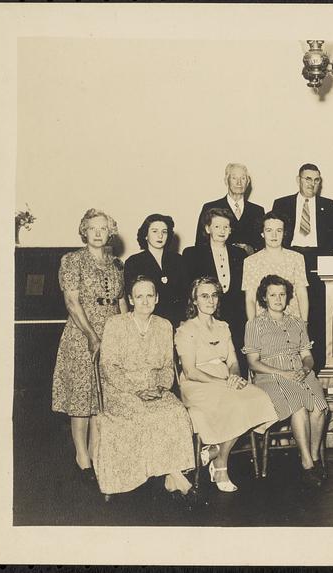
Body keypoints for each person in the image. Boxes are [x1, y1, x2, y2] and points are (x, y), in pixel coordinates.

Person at [95, 276, 195, 498]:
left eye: (150, 295)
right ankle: (172, 474)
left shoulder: (164, 325)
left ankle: (171, 474)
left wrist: (160, 388)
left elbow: (169, 367)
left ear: (157, 298)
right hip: (121, 389)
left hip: (154, 388)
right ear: (130, 299)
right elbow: (108, 366)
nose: (145, 301)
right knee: (143, 415)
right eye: (139, 296)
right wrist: (135, 390)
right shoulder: (115, 324)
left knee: (176, 412)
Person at [175, 277, 277, 493]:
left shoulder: (223, 327)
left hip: (223, 378)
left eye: (214, 295)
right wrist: (223, 382)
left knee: (258, 398)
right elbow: (190, 371)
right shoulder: (186, 330)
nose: (210, 300)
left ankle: (214, 452)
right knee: (236, 405)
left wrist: (234, 376)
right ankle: (221, 465)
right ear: (194, 300)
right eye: (204, 296)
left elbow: (232, 361)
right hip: (198, 384)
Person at [52, 209, 127, 482]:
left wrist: (124, 332)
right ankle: (81, 454)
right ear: (84, 231)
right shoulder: (72, 261)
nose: (98, 233)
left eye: (103, 228)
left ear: (110, 232)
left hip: (111, 330)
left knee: (102, 396)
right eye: (92, 228)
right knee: (82, 395)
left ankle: (96, 451)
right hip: (81, 333)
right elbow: (72, 303)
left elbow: (121, 302)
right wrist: (92, 335)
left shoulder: (116, 264)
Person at [244, 275, 329, 487]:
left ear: (288, 297)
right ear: (264, 297)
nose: (278, 299)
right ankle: (307, 464)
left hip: (300, 371)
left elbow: (307, 354)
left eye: (282, 294)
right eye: (272, 294)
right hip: (270, 376)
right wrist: (282, 373)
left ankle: (315, 456)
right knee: (299, 408)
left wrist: (306, 367)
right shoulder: (254, 324)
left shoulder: (297, 322)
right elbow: (253, 363)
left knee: (320, 408)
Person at [272, 163, 333, 371]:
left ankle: (316, 366)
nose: (312, 183)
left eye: (316, 180)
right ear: (298, 180)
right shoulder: (282, 203)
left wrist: (315, 258)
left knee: (316, 314)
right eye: (307, 179)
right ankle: (285, 363)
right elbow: (276, 235)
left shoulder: (329, 205)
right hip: (290, 259)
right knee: (286, 311)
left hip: (316, 264)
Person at [183, 207, 249, 375]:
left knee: (237, 360)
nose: (222, 231)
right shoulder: (192, 253)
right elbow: (189, 289)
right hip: (206, 316)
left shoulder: (240, 254)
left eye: (226, 227)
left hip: (235, 318)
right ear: (207, 229)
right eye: (217, 226)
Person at [242, 211, 309, 321]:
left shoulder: (296, 258)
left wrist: (304, 323)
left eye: (279, 230)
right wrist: (252, 326)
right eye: (269, 230)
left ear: (284, 233)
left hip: (292, 322)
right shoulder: (251, 262)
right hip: (263, 324)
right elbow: (250, 299)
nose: (274, 235)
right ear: (262, 233)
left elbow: (302, 294)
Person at [124, 214, 187, 328]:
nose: (160, 235)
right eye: (154, 231)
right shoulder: (134, 262)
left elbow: (184, 294)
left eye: (164, 231)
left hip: (177, 322)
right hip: (147, 323)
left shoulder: (178, 260)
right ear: (145, 235)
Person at [194, 163, 265, 254]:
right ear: (226, 181)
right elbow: (200, 244)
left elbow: (262, 245)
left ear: (247, 182)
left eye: (243, 178)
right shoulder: (210, 208)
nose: (239, 182)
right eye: (234, 178)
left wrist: (252, 250)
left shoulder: (257, 211)